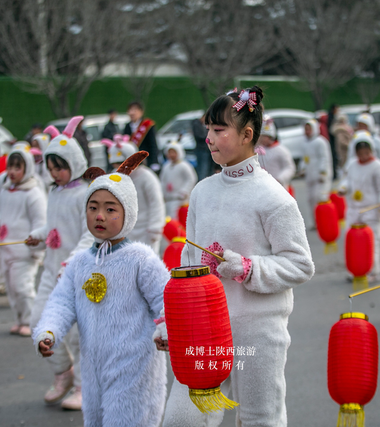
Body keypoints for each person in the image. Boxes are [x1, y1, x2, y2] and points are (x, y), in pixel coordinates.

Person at [157, 86, 315, 426]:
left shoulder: (274, 198)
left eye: (219, 130)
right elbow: (189, 262)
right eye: (208, 130)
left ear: (247, 134)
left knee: (260, 419)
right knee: (181, 420)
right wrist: (172, 322)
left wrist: (246, 268)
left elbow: (301, 264)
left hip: (258, 333)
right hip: (204, 330)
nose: (209, 138)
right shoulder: (202, 192)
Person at [34, 152, 169, 427]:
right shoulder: (80, 262)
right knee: (95, 420)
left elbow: (167, 299)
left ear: (127, 213)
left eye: (110, 209)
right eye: (93, 207)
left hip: (134, 366)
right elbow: (61, 302)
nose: (100, 216)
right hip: (93, 369)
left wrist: (165, 329)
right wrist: (49, 331)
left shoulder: (140, 259)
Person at [28, 117, 92, 410]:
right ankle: (62, 372)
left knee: (79, 336)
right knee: (38, 324)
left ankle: (82, 386)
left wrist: (71, 261)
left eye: (60, 166)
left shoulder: (86, 194)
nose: (55, 173)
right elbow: (52, 228)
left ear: (75, 161)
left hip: (75, 275)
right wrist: (38, 236)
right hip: (49, 271)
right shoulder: (54, 192)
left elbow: (88, 235)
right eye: (51, 168)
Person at [0, 144, 47, 337]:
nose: (12, 172)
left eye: (17, 167)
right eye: (10, 167)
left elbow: (41, 222)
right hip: (6, 248)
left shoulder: (33, 194)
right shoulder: (6, 190)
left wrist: (36, 244)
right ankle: (19, 319)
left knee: (23, 287)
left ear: (27, 168)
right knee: (12, 289)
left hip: (24, 252)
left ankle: (32, 321)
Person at [338, 131, 380, 283]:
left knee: (372, 241)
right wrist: (343, 188)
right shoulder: (353, 165)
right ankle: (355, 269)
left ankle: (373, 270)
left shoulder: (378, 167)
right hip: (354, 208)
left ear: (371, 150)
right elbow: (348, 180)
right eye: (360, 152)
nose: (363, 155)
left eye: (366, 152)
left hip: (371, 209)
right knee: (352, 240)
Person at [107, 138, 165, 254]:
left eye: (122, 164)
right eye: (116, 165)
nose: (120, 168)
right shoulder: (114, 177)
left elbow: (156, 203)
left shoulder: (147, 177)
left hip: (145, 229)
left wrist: (155, 227)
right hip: (123, 230)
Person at [302, 119, 332, 229]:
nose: (307, 131)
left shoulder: (321, 142)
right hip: (310, 176)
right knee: (310, 199)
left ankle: (323, 222)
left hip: (320, 177)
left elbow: (325, 158)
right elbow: (305, 159)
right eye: (305, 129)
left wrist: (323, 172)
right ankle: (315, 222)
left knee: (319, 198)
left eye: (309, 128)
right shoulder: (305, 142)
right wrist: (303, 169)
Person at [256, 115, 296, 190]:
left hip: (278, 188)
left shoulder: (281, 150)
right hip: (263, 187)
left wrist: (280, 179)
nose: (261, 139)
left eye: (264, 136)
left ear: (271, 136)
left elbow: (290, 168)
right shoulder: (258, 150)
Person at [160, 141, 197, 219]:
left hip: (180, 199)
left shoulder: (184, 166)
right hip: (168, 199)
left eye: (174, 152)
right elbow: (163, 181)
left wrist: (184, 191)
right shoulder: (166, 167)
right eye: (169, 153)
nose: (171, 155)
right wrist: (162, 193)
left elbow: (191, 179)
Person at [124, 101, 160, 172]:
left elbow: (153, 145)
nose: (131, 113)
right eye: (130, 110)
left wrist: (154, 161)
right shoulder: (127, 126)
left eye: (134, 110)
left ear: (141, 112)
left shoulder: (147, 125)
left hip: (145, 161)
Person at [192, 115, 212, 180]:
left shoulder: (202, 125)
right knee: (203, 169)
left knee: (206, 169)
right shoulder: (196, 125)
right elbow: (200, 136)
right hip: (202, 150)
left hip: (206, 150)